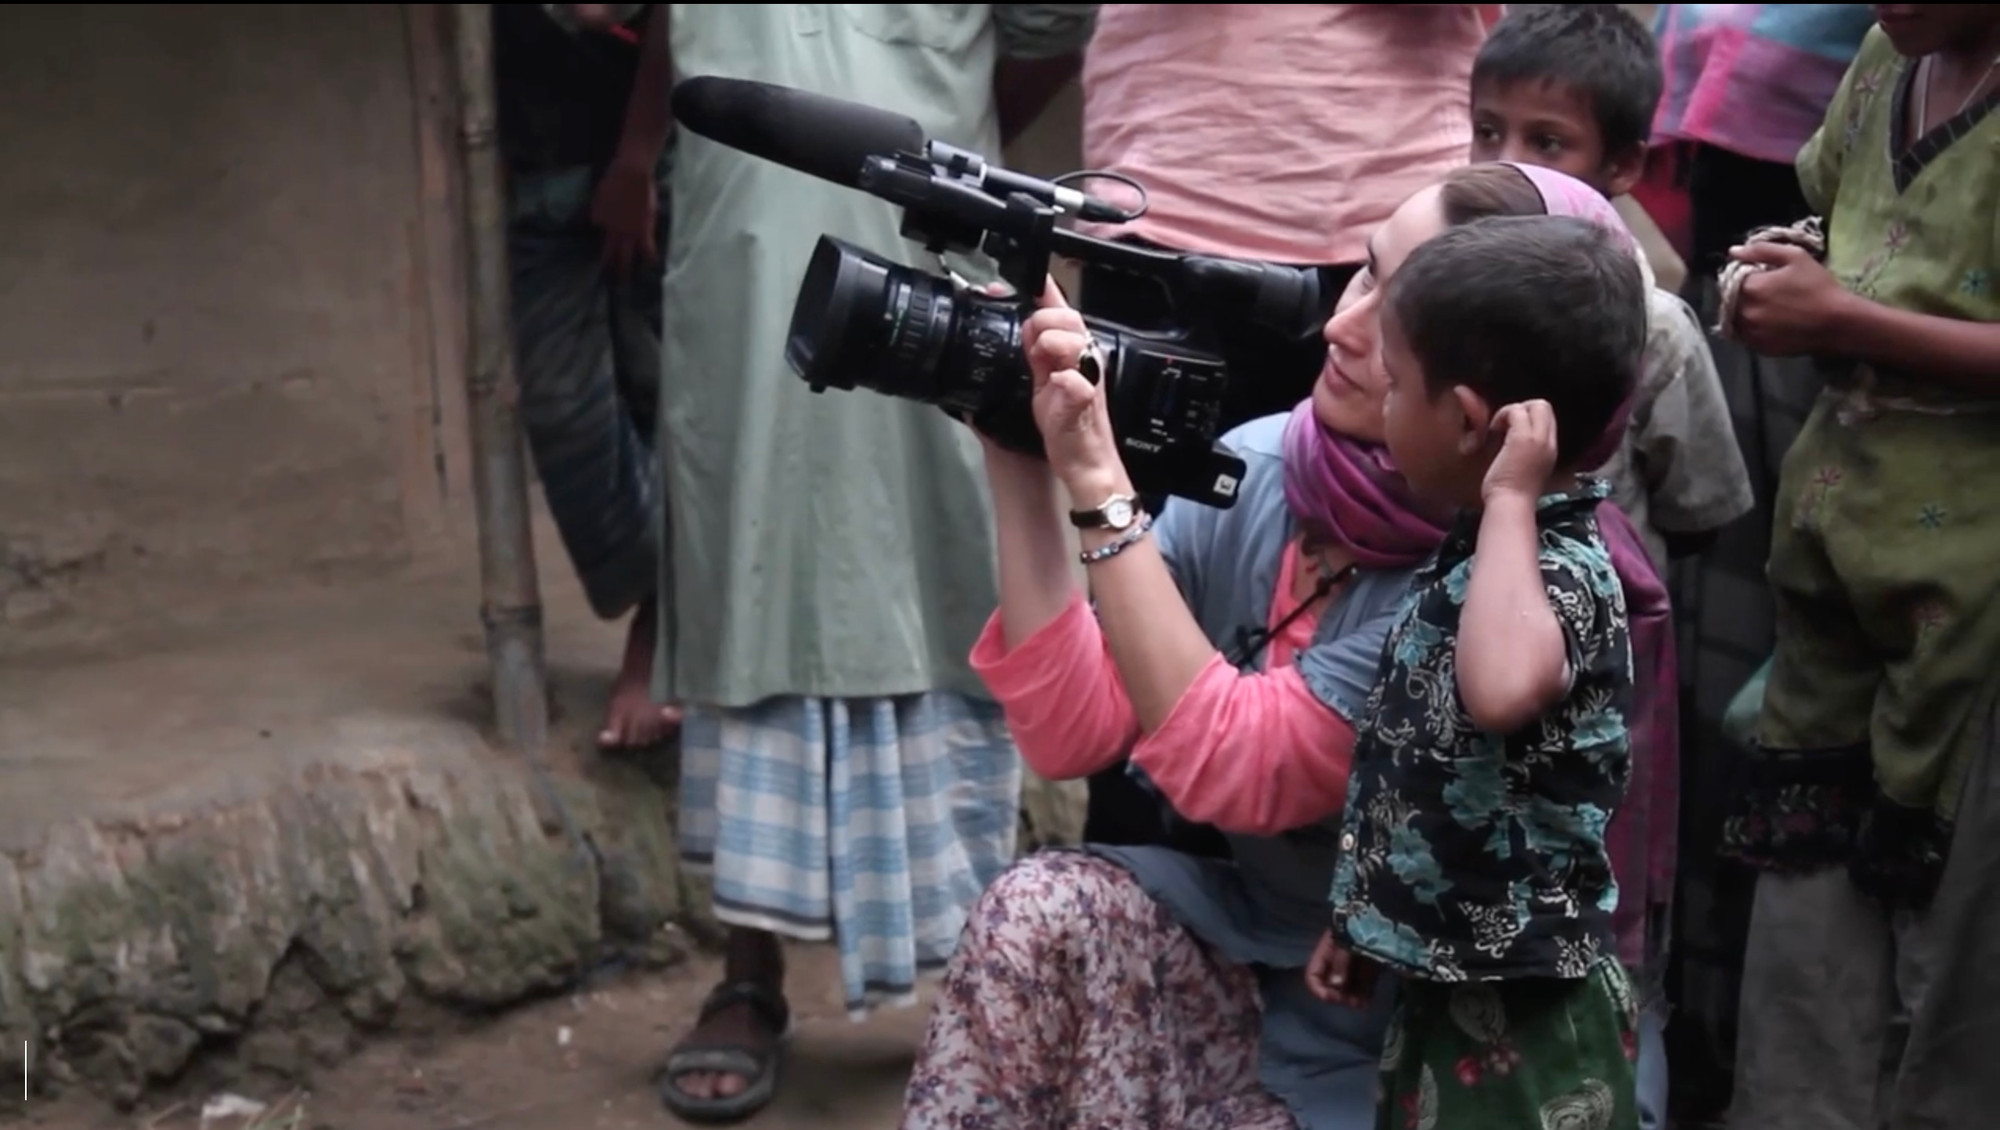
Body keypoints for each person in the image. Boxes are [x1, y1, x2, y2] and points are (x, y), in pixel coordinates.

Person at [899, 163, 1639, 1130]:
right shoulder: (1261, 467)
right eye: (1365, 275)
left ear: (1480, 409)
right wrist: (1020, 444)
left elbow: (1237, 765)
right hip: (1268, 945)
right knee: (1039, 913)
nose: (1340, 325)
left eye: (1399, 311)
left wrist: (1095, 477)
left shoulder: (1504, 585)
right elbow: (1073, 730)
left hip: (1435, 1032)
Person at [648, 5, 1097, 1123]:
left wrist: (932, 126)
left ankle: (983, 994)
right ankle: (747, 971)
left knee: (952, 563)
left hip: (929, 212)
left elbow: (1045, 34)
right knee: (751, 571)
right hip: (741, 231)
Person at [1067, 0, 1502, 860]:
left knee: (1380, 667)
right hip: (1157, 209)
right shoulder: (1270, 446)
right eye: (1359, 314)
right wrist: (1044, 467)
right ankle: (1144, 909)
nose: (1343, 334)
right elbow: (1080, 724)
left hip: (1381, 207)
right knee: (1138, 644)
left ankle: (1370, 908)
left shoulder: (1390, 319)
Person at [1465, 9, 1758, 1124]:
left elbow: (1700, 505)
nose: (1506, 166)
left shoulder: (1655, 325)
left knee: (1605, 936)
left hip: (1605, 702)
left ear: (1624, 167)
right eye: (1486, 133)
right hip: (1465, 666)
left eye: (1548, 142)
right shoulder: (1437, 293)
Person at [1718, 7, 2000, 1130]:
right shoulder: (1890, 57)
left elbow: (1867, 301)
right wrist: (1786, 278)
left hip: (1975, 603)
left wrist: (1846, 315)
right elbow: (1845, 226)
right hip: (1838, 557)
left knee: (1960, 972)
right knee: (1804, 945)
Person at [1308, 210, 1651, 1130]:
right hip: (1450, 984)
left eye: (1395, 388)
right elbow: (1425, 763)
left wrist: (1506, 494)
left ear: (1466, 421)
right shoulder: (1483, 557)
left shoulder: (1565, 571)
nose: (1381, 408)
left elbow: (1496, 691)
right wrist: (1368, 918)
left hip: (1534, 1016)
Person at [494, 3, 679, 749]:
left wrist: (637, 159)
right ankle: (667, 591)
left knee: (664, 394)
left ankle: (659, 630)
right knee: (560, 405)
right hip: (536, 168)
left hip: (650, 161)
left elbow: (612, 11)